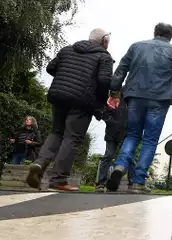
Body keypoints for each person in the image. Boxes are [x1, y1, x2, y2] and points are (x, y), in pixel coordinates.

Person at [26, 28, 114, 192]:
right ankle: (58, 180)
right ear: (104, 41)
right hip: (82, 101)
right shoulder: (104, 57)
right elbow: (104, 81)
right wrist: (101, 102)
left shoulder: (67, 49)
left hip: (59, 95)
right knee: (72, 138)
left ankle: (39, 163)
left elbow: (51, 68)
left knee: (56, 132)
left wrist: (65, 79)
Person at [106, 23, 172, 194]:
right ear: (170, 37)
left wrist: (114, 91)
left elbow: (121, 69)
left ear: (155, 32)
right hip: (160, 99)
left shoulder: (136, 46)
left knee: (133, 135)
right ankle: (138, 181)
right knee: (150, 140)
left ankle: (120, 165)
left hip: (135, 96)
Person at [95, 90, 135, 192]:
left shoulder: (133, 102)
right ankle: (101, 183)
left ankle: (132, 183)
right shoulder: (114, 98)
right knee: (108, 155)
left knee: (129, 158)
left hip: (126, 134)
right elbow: (105, 113)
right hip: (112, 133)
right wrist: (112, 122)